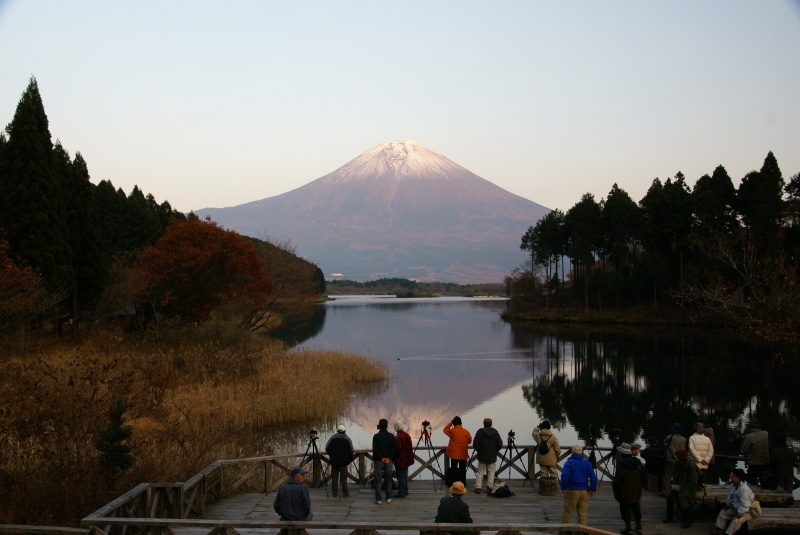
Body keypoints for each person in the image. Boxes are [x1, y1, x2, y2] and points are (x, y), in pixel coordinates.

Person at [662, 449, 701, 529]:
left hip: (688, 488)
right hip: (679, 487)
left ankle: (687, 521)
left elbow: (693, 481)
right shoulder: (678, 464)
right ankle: (669, 517)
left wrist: (685, 490)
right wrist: (673, 486)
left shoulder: (689, 465)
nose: (675, 457)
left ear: (680, 457)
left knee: (684, 499)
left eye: (676, 455)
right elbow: (675, 476)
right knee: (670, 497)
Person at [560, 444, 597, 526]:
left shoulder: (569, 463)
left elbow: (565, 476)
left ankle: (566, 530)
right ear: (581, 452)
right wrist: (592, 489)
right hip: (584, 490)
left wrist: (564, 487)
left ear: (572, 453)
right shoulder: (587, 463)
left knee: (568, 512)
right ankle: (582, 530)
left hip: (572, 490)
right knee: (582, 513)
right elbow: (593, 477)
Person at [711, 468, 755, 535]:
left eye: (733, 476)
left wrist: (739, 514)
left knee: (736, 521)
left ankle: (728, 533)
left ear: (738, 478)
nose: (731, 478)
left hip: (745, 512)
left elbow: (745, 505)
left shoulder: (744, 489)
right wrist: (728, 505)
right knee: (723, 513)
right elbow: (730, 496)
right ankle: (720, 530)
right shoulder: (733, 485)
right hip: (735, 508)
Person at [613, 443, 644, 535]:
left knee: (625, 510)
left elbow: (618, 480)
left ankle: (628, 529)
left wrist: (617, 491)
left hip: (624, 492)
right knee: (636, 509)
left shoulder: (621, 464)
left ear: (622, 453)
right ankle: (639, 527)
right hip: (636, 491)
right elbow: (644, 478)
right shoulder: (639, 463)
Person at [274, 466, 312, 533]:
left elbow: (276, 506)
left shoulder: (282, 488)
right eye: (302, 475)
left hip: (285, 518)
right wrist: (302, 516)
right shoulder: (303, 488)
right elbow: (307, 507)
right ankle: (300, 530)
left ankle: (285, 530)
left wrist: (283, 514)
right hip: (299, 518)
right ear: (296, 477)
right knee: (310, 514)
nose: (304, 478)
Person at [472, 417, 503, 493]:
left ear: (484, 424)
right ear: (491, 424)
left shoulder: (480, 432)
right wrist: (495, 451)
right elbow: (500, 444)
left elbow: (475, 444)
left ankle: (478, 488)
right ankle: (489, 487)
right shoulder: (495, 433)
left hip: (482, 455)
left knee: (480, 472)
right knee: (491, 472)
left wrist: (479, 450)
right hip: (492, 455)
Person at [325, 424, 354, 498]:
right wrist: (348, 460)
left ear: (337, 430)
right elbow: (351, 451)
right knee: (344, 478)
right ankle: (345, 494)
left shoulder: (332, 438)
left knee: (334, 478)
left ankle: (335, 493)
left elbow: (327, 449)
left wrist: (332, 456)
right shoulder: (347, 439)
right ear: (345, 431)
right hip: (344, 462)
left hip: (334, 462)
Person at [372, 418, 397, 504]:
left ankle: (379, 498)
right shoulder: (392, 436)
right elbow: (394, 449)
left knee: (378, 480)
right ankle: (389, 497)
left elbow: (375, 449)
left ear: (379, 426)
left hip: (379, 460)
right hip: (389, 460)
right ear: (387, 426)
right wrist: (389, 458)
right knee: (389, 479)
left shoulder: (376, 436)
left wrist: (381, 458)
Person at [443, 416, 472, 485]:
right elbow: (469, 441)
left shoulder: (452, 431)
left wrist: (450, 423)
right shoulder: (466, 432)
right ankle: (463, 483)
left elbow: (445, 430)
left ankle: (454, 483)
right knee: (462, 469)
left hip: (454, 454)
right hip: (463, 454)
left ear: (454, 423)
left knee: (454, 469)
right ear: (461, 423)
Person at [741, 420, 769, 485]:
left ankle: (753, 493)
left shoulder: (749, 436)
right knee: (764, 479)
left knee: (752, 480)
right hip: (764, 461)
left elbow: (744, 449)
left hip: (753, 462)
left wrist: (750, 452)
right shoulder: (766, 434)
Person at [662, 423, 687, 495]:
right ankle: (678, 491)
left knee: (667, 476)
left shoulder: (670, 437)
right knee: (679, 476)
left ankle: (666, 492)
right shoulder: (684, 439)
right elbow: (684, 449)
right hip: (680, 460)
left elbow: (665, 444)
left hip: (670, 459)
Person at [393, 420, 413, 498]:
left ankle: (401, 492)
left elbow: (398, 448)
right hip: (406, 459)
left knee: (400, 476)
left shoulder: (399, 437)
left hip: (400, 459)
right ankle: (405, 490)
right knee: (404, 476)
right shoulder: (406, 435)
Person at [698, 416, 719, 484]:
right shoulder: (711, 431)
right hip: (710, 454)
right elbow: (714, 441)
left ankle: (703, 485)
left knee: (703, 472)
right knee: (709, 471)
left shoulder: (703, 432)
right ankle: (709, 485)